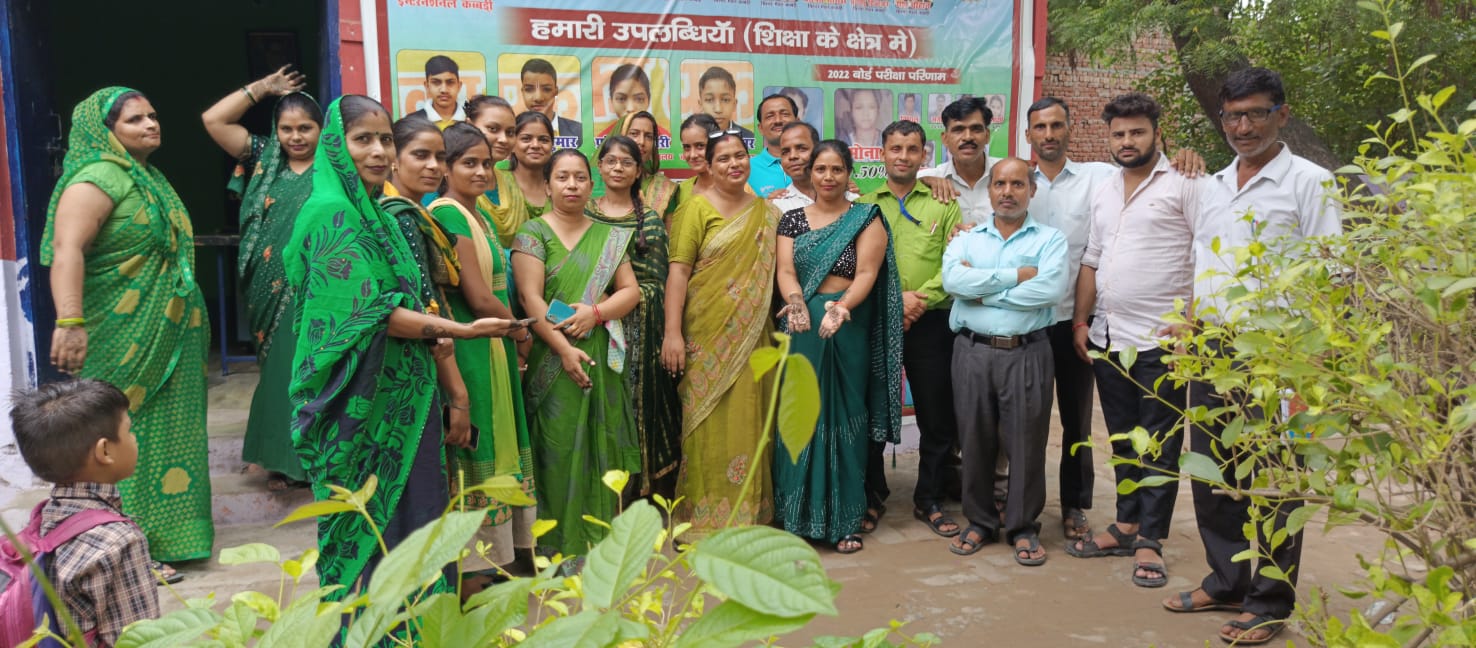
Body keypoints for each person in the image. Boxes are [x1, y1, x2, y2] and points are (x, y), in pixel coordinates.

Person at [285, 95, 513, 602]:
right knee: (367, 524)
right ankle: (366, 629)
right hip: (360, 405)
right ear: (336, 146)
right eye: (363, 139)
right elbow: (373, 313)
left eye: (385, 139)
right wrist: (462, 331)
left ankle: (417, 626)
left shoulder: (381, 217)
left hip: (407, 396)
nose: (378, 151)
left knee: (418, 516)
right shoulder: (330, 213)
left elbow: (413, 299)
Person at [1167, 67, 1341, 646]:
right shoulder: (1214, 184)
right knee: (1213, 473)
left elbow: (1333, 275)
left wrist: (1313, 369)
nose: (1243, 127)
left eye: (1256, 114)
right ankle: (1227, 581)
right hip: (1212, 350)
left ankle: (1268, 602)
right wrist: (1191, 328)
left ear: (1281, 115)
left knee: (1272, 480)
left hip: (1280, 356)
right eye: (1233, 116)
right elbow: (1204, 264)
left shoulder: (1310, 183)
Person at [43, 86, 213, 575]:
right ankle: (122, 549)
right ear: (104, 131)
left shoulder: (148, 177)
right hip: (120, 334)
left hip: (171, 334)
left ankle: (167, 537)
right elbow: (67, 249)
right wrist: (69, 321)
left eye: (153, 116)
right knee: (114, 434)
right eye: (135, 119)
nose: (151, 124)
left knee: (166, 434)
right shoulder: (96, 178)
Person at [1067, 92, 1203, 590]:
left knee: (1160, 444)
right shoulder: (1105, 189)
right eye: (1119, 134)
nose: (1127, 141)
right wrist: (1081, 321)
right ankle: (1126, 524)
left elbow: (1209, 255)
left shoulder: (1187, 183)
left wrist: (1191, 324)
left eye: (1137, 132)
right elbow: (1093, 257)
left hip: (1162, 341)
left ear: (1157, 134)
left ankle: (1151, 539)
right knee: (1123, 437)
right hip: (1109, 337)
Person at [773, 140, 903, 554]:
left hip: (847, 325)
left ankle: (846, 520)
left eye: (836, 169)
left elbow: (866, 273)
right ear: (810, 173)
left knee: (847, 417)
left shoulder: (866, 218)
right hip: (802, 325)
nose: (828, 177)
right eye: (821, 169)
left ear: (849, 174)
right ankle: (796, 517)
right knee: (799, 416)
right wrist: (796, 303)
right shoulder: (792, 220)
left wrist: (842, 308)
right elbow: (785, 270)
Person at [511, 149, 642, 558]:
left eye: (580, 178)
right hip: (553, 358)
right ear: (547, 186)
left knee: (600, 445)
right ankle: (555, 547)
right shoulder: (533, 233)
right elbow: (531, 299)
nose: (572, 185)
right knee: (557, 447)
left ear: (591, 184)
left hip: (598, 354)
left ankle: (597, 544)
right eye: (562, 177)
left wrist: (595, 313)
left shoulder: (609, 236)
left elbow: (631, 291)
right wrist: (565, 349)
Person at [941, 157, 1069, 565]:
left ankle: (1022, 526)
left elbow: (1049, 291)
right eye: (1000, 184)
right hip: (973, 351)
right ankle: (979, 521)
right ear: (990, 189)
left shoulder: (1051, 240)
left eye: (1017, 184)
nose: (1007, 192)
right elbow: (953, 282)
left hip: (1027, 352)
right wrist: (1016, 276)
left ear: (1032, 190)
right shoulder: (967, 237)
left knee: (1026, 442)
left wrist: (980, 293)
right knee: (974, 439)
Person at [426, 122, 539, 575]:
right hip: (473, 347)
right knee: (478, 446)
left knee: (496, 443)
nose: (481, 172)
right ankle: (471, 572)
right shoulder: (448, 213)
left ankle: (492, 564)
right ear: (446, 168)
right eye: (468, 163)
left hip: (494, 344)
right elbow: (477, 296)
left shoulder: (480, 215)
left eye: (486, 164)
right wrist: (522, 333)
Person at [202, 66, 320, 492]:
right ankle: (275, 456)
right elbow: (213, 120)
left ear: (321, 129)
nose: (296, 137)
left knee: (308, 369)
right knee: (276, 371)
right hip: (266, 286)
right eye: (287, 128)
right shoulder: (264, 159)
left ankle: (305, 462)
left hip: (318, 286)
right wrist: (262, 89)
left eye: (305, 128)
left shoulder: (337, 167)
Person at [662, 129, 779, 538]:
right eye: (724, 158)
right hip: (703, 334)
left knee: (751, 417)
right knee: (704, 424)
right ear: (709, 166)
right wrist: (672, 333)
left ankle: (750, 518)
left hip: (754, 334)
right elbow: (678, 272)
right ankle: (703, 519)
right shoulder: (694, 210)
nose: (734, 164)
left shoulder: (767, 212)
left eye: (740, 155)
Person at [856, 120, 962, 539]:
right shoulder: (863, 205)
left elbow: (956, 262)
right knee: (871, 411)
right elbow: (855, 267)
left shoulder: (943, 202)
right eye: (895, 148)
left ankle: (929, 498)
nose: (903, 156)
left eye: (912, 149)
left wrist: (917, 301)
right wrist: (891, 303)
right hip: (875, 320)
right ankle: (871, 495)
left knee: (937, 414)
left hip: (930, 321)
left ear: (924, 155)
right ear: (882, 153)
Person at [10, 380, 160, 647]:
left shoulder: (44, 518)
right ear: (105, 451)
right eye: (129, 431)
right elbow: (138, 641)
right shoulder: (120, 541)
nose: (134, 438)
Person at [588, 134, 682, 499]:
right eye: (610, 161)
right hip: (590, 326)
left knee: (635, 407)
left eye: (626, 162)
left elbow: (659, 284)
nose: (617, 168)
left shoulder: (651, 223)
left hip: (639, 333)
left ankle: (634, 492)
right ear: (599, 167)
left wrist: (622, 301)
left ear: (638, 171)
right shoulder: (584, 214)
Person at [918, 97, 998, 224]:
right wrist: (920, 182)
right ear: (945, 139)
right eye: (958, 130)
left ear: (987, 136)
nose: (968, 137)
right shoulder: (929, 179)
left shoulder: (1009, 175)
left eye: (976, 129)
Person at [465, 95, 527, 248]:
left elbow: (525, 241)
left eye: (510, 132)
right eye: (493, 129)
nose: (504, 139)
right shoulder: (448, 181)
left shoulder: (510, 183)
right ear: (469, 126)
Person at [769, 121, 857, 214]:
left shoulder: (853, 201)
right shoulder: (778, 206)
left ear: (818, 150)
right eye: (785, 152)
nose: (792, 156)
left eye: (802, 148)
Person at [611, 110, 679, 218]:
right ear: (621, 136)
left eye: (648, 136)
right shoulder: (598, 182)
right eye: (634, 134)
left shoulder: (665, 189)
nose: (642, 142)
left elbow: (668, 228)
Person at [520, 58, 582, 147]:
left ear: (556, 92)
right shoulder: (512, 132)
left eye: (546, 89)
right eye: (529, 89)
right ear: (522, 92)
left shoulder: (579, 132)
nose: (538, 98)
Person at [598, 63, 670, 139]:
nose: (630, 108)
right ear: (611, 102)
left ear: (648, 101)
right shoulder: (604, 140)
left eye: (639, 99)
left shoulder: (666, 137)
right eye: (621, 99)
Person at [508, 111, 555, 221]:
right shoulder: (498, 185)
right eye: (526, 139)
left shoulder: (559, 187)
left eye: (543, 140)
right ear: (513, 145)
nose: (535, 145)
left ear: (552, 145)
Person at [749, 93, 798, 197]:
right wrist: (765, 204)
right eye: (770, 116)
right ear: (760, 128)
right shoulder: (747, 168)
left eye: (784, 114)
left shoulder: (814, 163)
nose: (778, 120)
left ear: (797, 122)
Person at [695, 66, 753, 147]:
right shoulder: (693, 139)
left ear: (734, 104)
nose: (718, 109)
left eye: (725, 100)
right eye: (709, 100)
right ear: (700, 104)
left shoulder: (749, 138)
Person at [672, 113, 720, 207]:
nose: (693, 155)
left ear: (716, 145)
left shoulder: (733, 188)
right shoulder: (681, 190)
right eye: (687, 147)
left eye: (700, 146)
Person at [408, 55, 465, 129]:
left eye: (450, 82)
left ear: (459, 86)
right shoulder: (412, 123)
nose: (444, 90)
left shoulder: (471, 120)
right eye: (436, 82)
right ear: (427, 86)